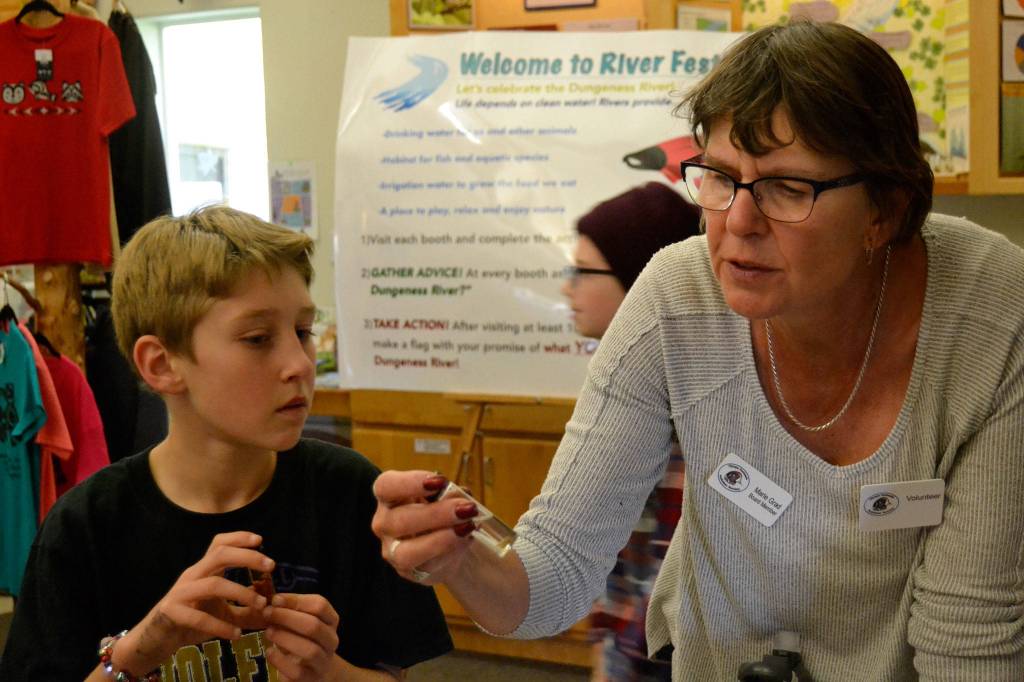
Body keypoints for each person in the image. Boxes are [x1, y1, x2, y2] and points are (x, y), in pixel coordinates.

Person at [371, 20, 1024, 681]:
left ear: (884, 210)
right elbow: (553, 578)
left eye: (787, 188)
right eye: (718, 177)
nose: (738, 221)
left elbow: (969, 648)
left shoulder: (994, 316)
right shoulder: (676, 299)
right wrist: (463, 556)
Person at [0, 206, 453, 681]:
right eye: (258, 338)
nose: (300, 363)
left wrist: (332, 673)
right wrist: (139, 650)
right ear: (161, 365)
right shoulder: (84, 528)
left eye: (302, 331)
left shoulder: (350, 492)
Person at [562, 182, 700, 681]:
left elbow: (667, 580)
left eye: (581, 272)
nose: (566, 288)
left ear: (638, 278)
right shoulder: (628, 385)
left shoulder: (683, 411)